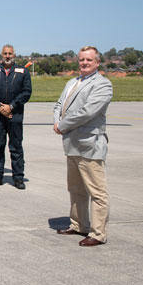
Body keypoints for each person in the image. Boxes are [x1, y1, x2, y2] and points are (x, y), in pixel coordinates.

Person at [53, 46, 113, 247]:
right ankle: (79, 224)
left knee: (97, 192)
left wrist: (62, 125)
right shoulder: (72, 82)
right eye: (81, 60)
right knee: (76, 189)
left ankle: (98, 233)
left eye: (88, 60)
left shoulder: (103, 85)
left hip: (90, 146)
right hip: (71, 144)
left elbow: (87, 113)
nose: (84, 63)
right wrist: (56, 120)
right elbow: (59, 105)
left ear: (97, 62)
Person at [0, 44, 32, 189]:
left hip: (15, 114)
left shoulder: (23, 72)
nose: (8, 56)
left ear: (14, 55)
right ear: (1, 55)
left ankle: (18, 177)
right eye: (5, 53)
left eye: (10, 53)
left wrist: (11, 106)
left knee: (16, 146)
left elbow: (26, 92)